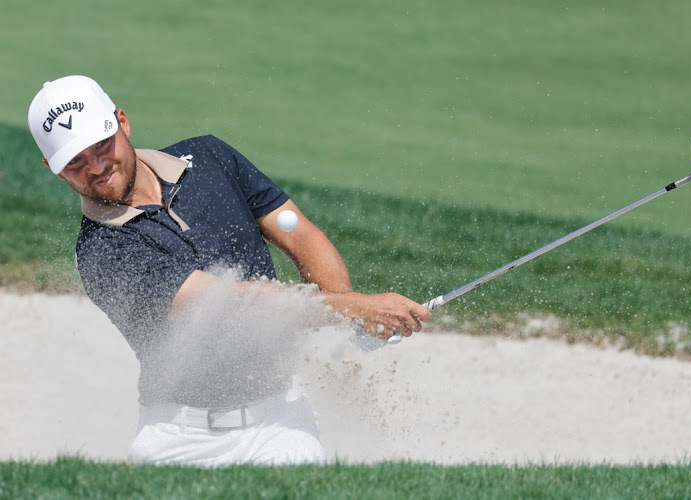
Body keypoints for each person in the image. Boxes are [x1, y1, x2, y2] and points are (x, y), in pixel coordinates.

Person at [27, 75, 431, 467]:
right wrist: (351, 310)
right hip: (180, 441)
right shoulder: (102, 251)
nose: (96, 166)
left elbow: (300, 235)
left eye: (101, 145)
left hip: (280, 423)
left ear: (122, 122)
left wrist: (351, 316)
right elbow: (235, 305)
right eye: (75, 161)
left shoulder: (208, 157)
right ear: (52, 167)